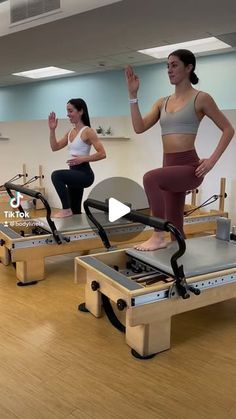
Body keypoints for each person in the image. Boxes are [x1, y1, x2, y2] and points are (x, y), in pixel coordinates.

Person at [125, 49, 234, 251]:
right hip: (169, 166)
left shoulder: (201, 98)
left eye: (174, 65)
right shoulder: (162, 102)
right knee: (175, 224)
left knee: (150, 178)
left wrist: (211, 161)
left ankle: (157, 235)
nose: (169, 70)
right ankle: (180, 268)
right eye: (167, 66)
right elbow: (139, 127)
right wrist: (133, 96)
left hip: (189, 167)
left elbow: (228, 129)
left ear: (189, 67)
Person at [49, 98, 106, 218]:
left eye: (70, 111)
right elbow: (55, 147)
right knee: (75, 211)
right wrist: (52, 130)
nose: (68, 114)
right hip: (73, 174)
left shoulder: (88, 131)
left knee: (56, 175)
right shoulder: (70, 132)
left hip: (85, 175)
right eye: (67, 111)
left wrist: (82, 159)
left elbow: (102, 154)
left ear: (80, 111)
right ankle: (76, 232)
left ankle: (65, 209)